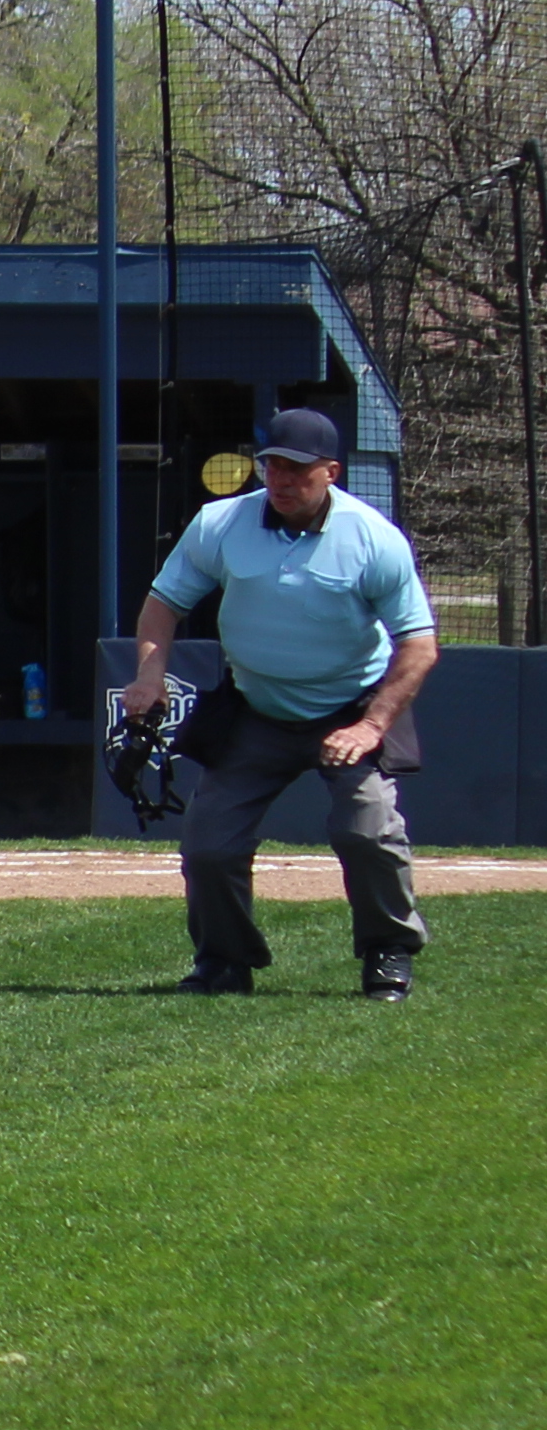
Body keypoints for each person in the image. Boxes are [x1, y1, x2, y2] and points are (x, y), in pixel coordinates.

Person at [121, 403, 432, 999]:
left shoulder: (373, 539)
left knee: (368, 832)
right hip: (256, 709)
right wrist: (150, 675)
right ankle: (223, 962)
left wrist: (372, 725)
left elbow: (418, 645)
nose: (282, 480)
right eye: (272, 466)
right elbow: (164, 604)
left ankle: (388, 951)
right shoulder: (220, 523)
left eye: (297, 469)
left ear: (331, 472)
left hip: (349, 711)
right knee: (209, 846)